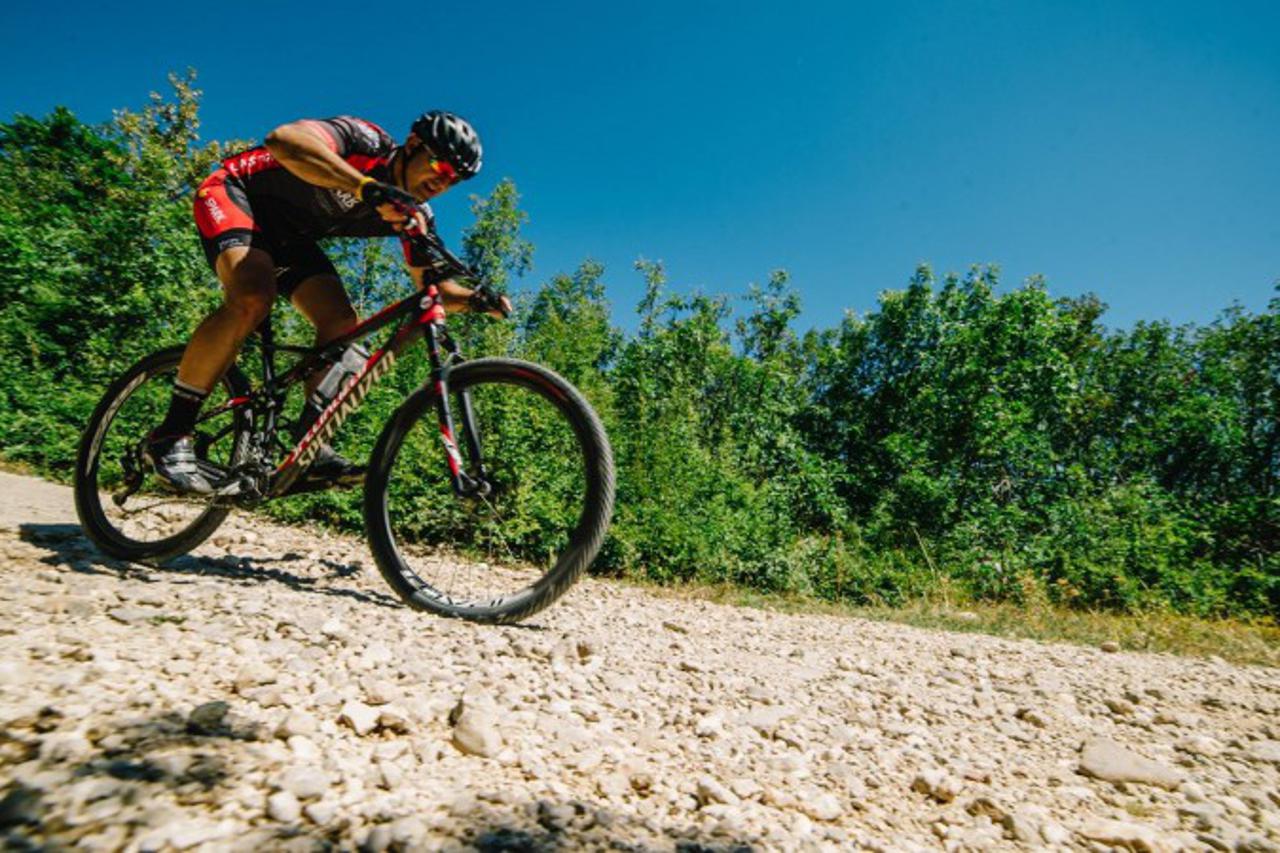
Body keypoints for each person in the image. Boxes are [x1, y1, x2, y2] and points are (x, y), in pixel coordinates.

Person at [146, 110, 510, 494]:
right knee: (253, 297)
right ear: (414, 144)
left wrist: (477, 299)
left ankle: (310, 447)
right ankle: (171, 432)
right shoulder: (365, 141)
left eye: (455, 179)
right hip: (235, 193)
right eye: (440, 166)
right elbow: (283, 139)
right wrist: (366, 187)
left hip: (290, 237)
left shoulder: (413, 213)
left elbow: (433, 288)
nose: (443, 181)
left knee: (341, 321)